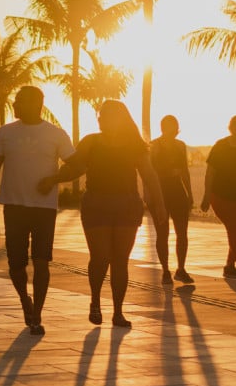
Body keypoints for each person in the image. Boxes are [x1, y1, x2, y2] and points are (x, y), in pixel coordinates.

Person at [43, 100, 165, 329]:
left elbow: (149, 175)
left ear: (120, 119)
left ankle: (118, 311)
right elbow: (76, 167)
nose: (102, 120)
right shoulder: (91, 141)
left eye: (107, 116)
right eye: (101, 117)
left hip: (127, 204)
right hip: (97, 203)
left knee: (120, 261)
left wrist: (159, 206)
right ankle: (95, 302)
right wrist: (53, 179)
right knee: (99, 258)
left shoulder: (134, 145)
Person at [0, 86, 75, 336]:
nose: (14, 105)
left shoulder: (56, 134)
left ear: (35, 103)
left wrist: (54, 179)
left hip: (44, 209)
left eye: (18, 101)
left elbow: (76, 165)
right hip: (14, 207)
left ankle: (37, 314)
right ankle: (24, 299)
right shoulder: (6, 132)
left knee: (41, 262)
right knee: (15, 265)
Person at [200, 115, 236, 280]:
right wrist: (206, 195)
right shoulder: (220, 146)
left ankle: (228, 266)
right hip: (222, 196)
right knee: (234, 228)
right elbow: (210, 172)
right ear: (230, 128)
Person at [150, 115, 194, 284]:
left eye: (174, 126)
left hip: (177, 191)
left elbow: (184, 171)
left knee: (182, 233)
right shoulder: (154, 146)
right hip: (159, 191)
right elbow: (149, 172)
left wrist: (189, 194)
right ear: (162, 127)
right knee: (163, 233)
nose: (173, 129)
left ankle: (181, 269)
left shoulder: (180, 146)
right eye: (169, 126)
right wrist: (149, 194)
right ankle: (165, 270)